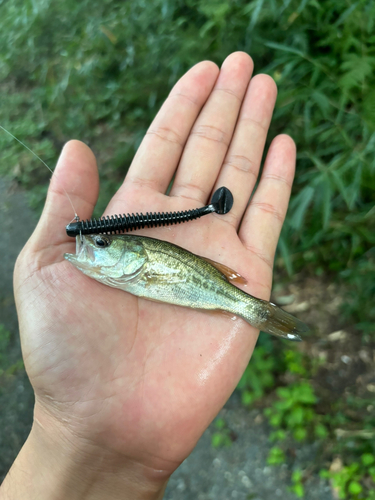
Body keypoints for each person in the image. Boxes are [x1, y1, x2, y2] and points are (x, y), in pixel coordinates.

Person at [1, 52, 296, 499]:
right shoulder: (120, 275)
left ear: (128, 255)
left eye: (102, 243)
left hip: (224, 297)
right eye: (101, 242)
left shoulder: (140, 270)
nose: (89, 247)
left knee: (243, 304)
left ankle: (259, 313)